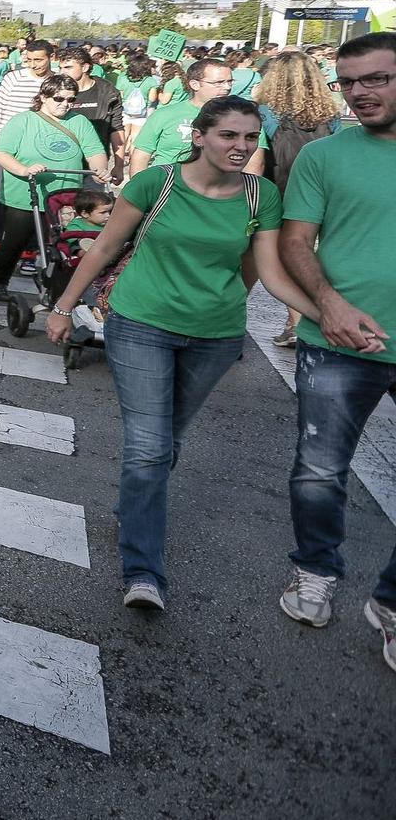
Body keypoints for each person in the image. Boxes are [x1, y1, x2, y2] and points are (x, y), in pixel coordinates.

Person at [43, 97, 318, 612]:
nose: (240, 147)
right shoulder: (158, 184)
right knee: (149, 447)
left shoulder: (262, 197)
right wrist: (62, 306)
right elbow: (103, 248)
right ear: (199, 136)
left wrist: (324, 315)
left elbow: (268, 272)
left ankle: (134, 506)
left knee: (168, 441)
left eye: (249, 138)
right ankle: (143, 571)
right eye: (228, 136)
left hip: (214, 336)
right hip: (140, 324)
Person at [275, 32, 396, 667]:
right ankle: (314, 570)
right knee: (320, 469)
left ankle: (392, 603)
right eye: (348, 83)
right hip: (338, 341)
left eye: (375, 79)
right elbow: (297, 240)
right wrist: (327, 304)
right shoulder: (325, 154)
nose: (359, 93)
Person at [0, 75, 109, 301]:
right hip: (25, 195)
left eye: (71, 100)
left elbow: (94, 151)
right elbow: (1, 153)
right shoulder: (23, 120)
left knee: (65, 244)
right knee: (15, 241)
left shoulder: (79, 122)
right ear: (43, 97)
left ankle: (59, 289)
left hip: (66, 196)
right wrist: (24, 170)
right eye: (59, 98)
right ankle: (0, 282)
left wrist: (99, 169)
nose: (65, 104)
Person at [253, 50, 346, 346]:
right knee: (324, 255)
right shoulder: (330, 114)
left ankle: (295, 323)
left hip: (280, 191)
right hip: (326, 190)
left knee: (286, 257)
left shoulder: (266, 112)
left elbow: (258, 157)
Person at [0, 39, 57, 268]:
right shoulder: (13, 78)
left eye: (39, 60)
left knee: (35, 202)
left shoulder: (57, 82)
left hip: (38, 151)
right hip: (3, 150)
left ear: (52, 56)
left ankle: (30, 252)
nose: (33, 65)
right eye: (28, 60)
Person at [129, 57, 268, 178]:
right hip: (166, 193)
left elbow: (254, 164)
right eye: (218, 82)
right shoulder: (164, 114)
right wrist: (139, 194)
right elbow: (141, 156)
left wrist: (247, 197)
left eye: (230, 82)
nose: (227, 87)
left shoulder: (246, 117)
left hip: (219, 196)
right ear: (194, 84)